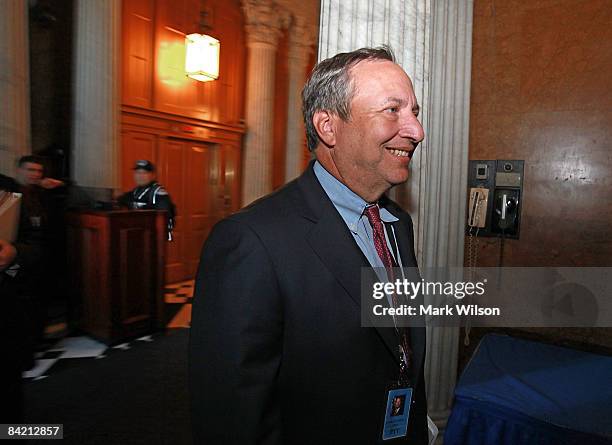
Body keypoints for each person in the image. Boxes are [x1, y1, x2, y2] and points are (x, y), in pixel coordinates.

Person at [190, 46, 428, 444]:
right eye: (393, 110)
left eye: (414, 112)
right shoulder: (250, 242)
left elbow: (396, 348)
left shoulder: (396, 225)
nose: (416, 131)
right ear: (328, 127)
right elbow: (232, 417)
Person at [117, 160, 176, 240]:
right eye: (137, 173)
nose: (140, 176)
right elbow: (121, 200)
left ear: (151, 175)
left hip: (152, 240)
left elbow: (164, 218)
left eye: (144, 173)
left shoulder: (157, 192)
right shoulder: (136, 192)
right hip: (137, 237)